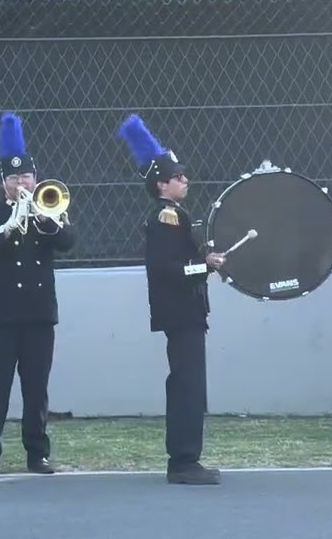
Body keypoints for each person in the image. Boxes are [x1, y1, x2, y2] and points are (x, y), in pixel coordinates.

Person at [117, 113, 225, 486]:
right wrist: (204, 266)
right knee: (186, 387)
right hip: (180, 312)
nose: (185, 180)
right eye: (178, 177)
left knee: (190, 385)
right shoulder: (165, 218)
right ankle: (183, 461)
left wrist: (205, 261)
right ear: (162, 184)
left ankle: (186, 459)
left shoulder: (177, 215)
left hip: (187, 312)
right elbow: (166, 269)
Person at [0, 112, 75, 477]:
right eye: (15, 178)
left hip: (39, 313)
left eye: (27, 176)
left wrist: (44, 218)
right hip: (2, 315)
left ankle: (37, 453)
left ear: (35, 177)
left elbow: (68, 242)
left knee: (36, 388)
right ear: (4, 182)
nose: (22, 182)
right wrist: (10, 223)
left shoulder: (50, 208)